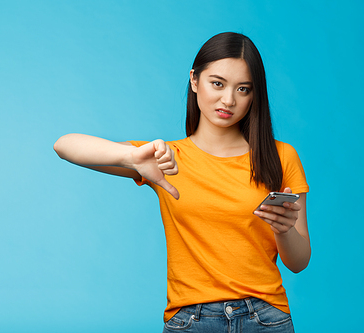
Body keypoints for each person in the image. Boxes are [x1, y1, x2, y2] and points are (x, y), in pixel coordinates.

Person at [54, 32, 310, 333]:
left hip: (265, 318)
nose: (228, 99)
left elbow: (298, 261)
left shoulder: (280, 156)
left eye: (243, 89)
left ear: (255, 95)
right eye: (218, 83)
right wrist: (131, 157)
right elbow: (65, 145)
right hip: (192, 320)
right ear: (194, 80)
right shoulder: (164, 159)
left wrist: (283, 230)